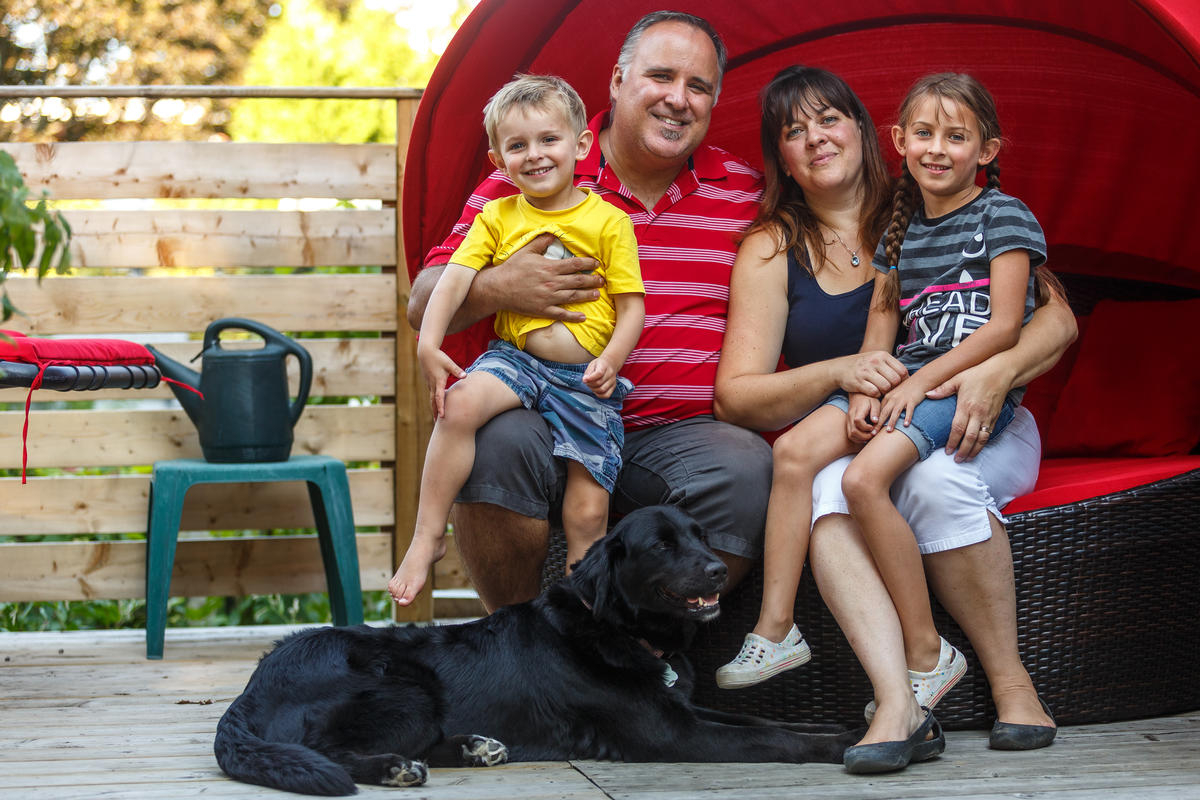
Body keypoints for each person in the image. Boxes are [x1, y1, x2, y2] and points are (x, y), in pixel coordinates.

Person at [713, 65, 1071, 772]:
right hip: (870, 419)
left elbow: (1050, 318)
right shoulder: (774, 245)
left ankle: (1012, 684)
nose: (815, 138)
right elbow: (737, 395)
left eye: (829, 119)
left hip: (967, 411)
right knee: (824, 488)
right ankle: (900, 698)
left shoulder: (928, 199)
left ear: (868, 132)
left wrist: (992, 374)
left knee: (933, 483)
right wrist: (842, 374)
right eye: (793, 130)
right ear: (779, 156)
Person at [405, 11, 771, 609]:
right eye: (660, 77)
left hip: (680, 434)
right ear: (618, 81)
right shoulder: (535, 171)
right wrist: (503, 287)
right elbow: (423, 302)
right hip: (547, 413)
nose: (679, 99)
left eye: (698, 86)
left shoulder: (745, 193)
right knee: (494, 438)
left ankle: (640, 650)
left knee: (745, 468)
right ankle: (519, 643)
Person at [387, 75, 645, 606]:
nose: (534, 155)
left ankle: (583, 619)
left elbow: (631, 305)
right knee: (458, 406)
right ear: (497, 160)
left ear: (581, 145)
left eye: (548, 140)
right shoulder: (497, 215)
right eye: (517, 145)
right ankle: (426, 538)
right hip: (519, 361)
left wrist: (613, 361)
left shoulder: (609, 221)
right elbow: (454, 280)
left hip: (583, 380)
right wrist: (428, 344)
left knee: (587, 513)